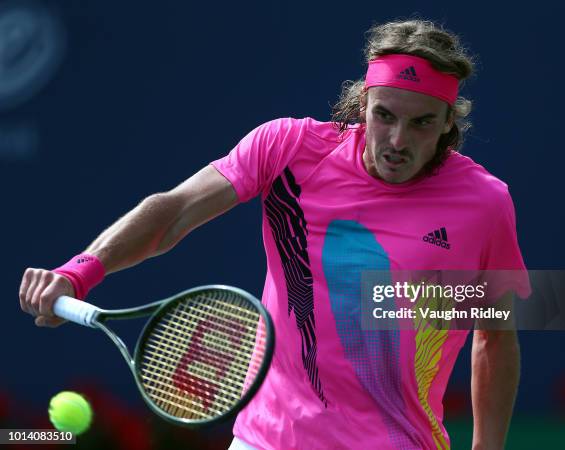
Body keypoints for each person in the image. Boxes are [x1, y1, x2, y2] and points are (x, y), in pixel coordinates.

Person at [19, 19, 530, 450]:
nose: (397, 140)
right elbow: (172, 212)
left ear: (447, 123)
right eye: (384, 116)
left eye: (421, 123)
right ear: (362, 104)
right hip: (269, 439)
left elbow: (493, 338)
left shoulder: (483, 204)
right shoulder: (288, 149)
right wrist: (79, 271)